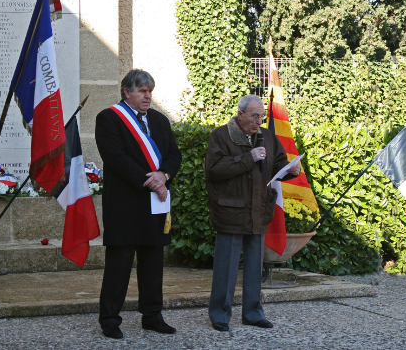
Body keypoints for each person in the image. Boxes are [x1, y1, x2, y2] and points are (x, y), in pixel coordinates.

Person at [95, 69, 182, 339]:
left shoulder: (160, 120)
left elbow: (173, 155)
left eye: (150, 91)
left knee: (153, 263)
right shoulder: (109, 118)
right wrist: (151, 181)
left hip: (155, 204)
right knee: (119, 265)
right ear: (127, 92)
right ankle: (110, 319)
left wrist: (164, 175)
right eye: (143, 91)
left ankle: (152, 316)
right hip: (125, 203)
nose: (148, 96)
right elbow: (115, 157)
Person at [205, 94, 300, 332]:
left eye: (262, 116)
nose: (259, 121)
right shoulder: (220, 135)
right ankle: (220, 315)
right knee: (226, 267)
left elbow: (277, 165)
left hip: (259, 208)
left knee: (255, 267)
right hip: (230, 211)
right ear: (240, 115)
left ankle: (253, 313)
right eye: (254, 116)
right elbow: (215, 170)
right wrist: (248, 157)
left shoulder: (267, 136)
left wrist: (290, 170)